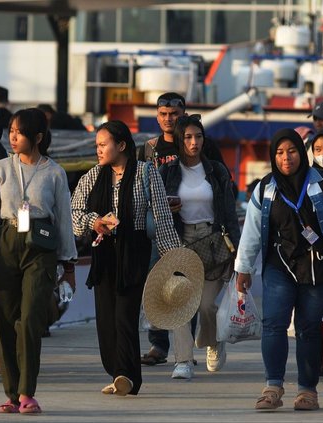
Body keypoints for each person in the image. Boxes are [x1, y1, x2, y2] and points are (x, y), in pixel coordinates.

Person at [235, 128, 323, 411]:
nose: (286, 158)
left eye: (291, 151)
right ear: (273, 156)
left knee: (309, 330)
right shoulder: (265, 188)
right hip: (279, 265)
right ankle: (272, 387)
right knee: (274, 324)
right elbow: (251, 231)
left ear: (301, 153)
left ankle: (307, 391)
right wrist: (243, 268)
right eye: (279, 153)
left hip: (318, 267)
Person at [0, 108, 77, 414]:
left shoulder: (54, 172)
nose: (12, 137)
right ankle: (11, 394)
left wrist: (68, 267)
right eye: (11, 131)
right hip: (6, 242)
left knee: (31, 319)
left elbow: (64, 223)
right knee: (3, 317)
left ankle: (27, 392)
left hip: (40, 247)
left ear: (38, 137)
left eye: (19, 132)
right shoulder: (0, 168)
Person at [71, 120, 180, 396]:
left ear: (121, 145)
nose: (98, 150)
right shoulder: (93, 176)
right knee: (106, 320)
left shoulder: (146, 173)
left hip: (134, 253)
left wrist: (174, 262)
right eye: (96, 145)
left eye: (103, 144)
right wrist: (94, 221)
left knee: (124, 317)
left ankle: (125, 375)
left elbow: (163, 219)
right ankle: (119, 373)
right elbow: (73, 215)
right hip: (104, 254)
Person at [158, 114, 240, 379]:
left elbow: (229, 211)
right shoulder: (167, 171)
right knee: (180, 301)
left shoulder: (216, 170)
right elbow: (157, 211)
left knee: (206, 306)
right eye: (188, 137)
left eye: (199, 136)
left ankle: (213, 342)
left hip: (214, 239)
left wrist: (238, 249)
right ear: (180, 140)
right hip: (181, 240)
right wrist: (169, 211)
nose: (194, 142)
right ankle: (183, 360)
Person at [138, 92, 186, 366]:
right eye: (163, 114)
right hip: (156, 228)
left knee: (184, 287)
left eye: (174, 114)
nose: (168, 119)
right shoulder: (149, 148)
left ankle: (187, 346)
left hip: (189, 226)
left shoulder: (193, 144)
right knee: (155, 285)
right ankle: (158, 344)